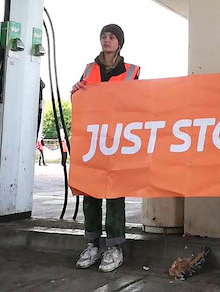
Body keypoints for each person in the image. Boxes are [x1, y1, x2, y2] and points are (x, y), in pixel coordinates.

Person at [72, 24, 140, 273]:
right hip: (93, 140)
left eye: (111, 37)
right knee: (90, 192)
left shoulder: (132, 71)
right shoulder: (89, 69)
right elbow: (78, 97)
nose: (106, 40)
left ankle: (114, 247)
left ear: (119, 42)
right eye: (103, 36)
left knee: (114, 193)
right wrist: (76, 91)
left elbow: (141, 104)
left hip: (119, 141)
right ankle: (92, 244)